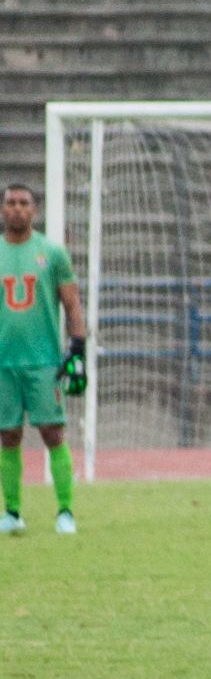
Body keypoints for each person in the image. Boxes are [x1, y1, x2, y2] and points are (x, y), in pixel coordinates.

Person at [0, 183, 84, 535]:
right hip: (4, 363)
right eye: (11, 203)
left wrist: (77, 346)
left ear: (34, 211)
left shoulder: (51, 252)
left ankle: (65, 511)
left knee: (52, 432)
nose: (17, 208)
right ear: (3, 209)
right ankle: (13, 512)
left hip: (44, 361)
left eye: (24, 203)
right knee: (7, 434)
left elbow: (71, 302)